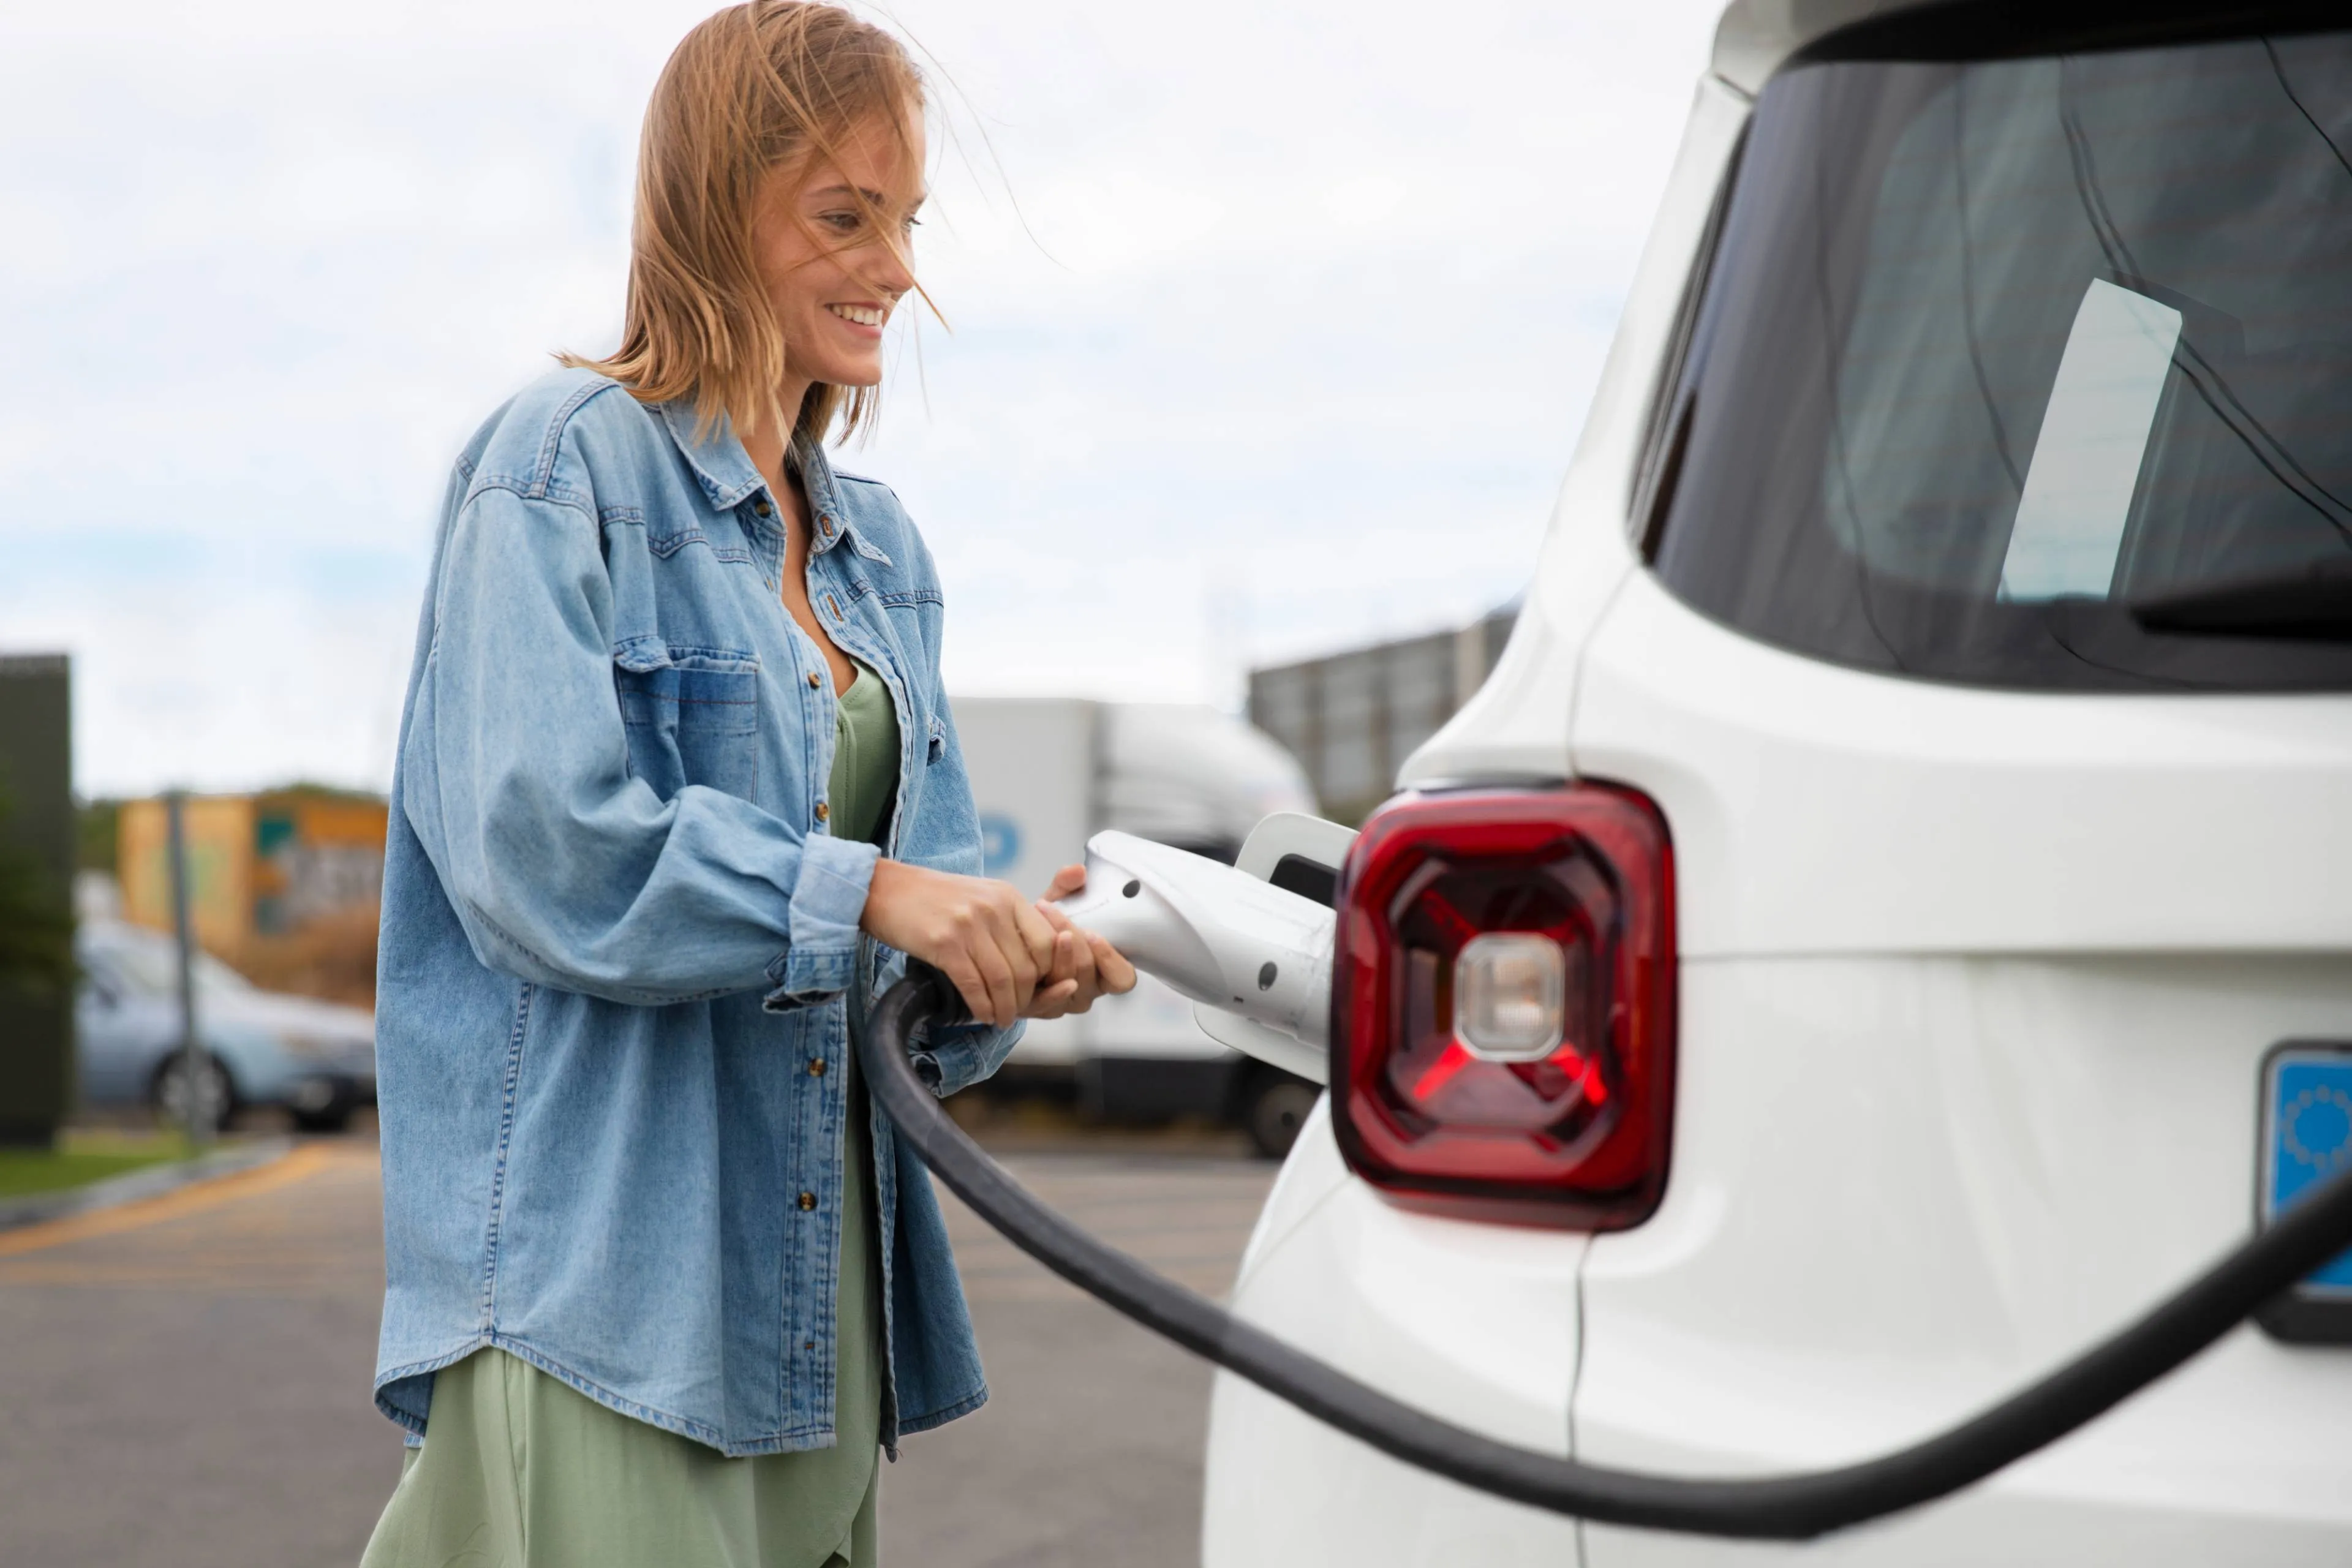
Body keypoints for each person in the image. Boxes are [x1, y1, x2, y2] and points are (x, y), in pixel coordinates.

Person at [359, 6, 1136, 1563]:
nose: (896, 267)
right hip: (613, 1306)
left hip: (814, 1321)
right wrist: (882, 894)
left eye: (906, 220)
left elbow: (895, 945)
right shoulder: (556, 466)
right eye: (843, 216)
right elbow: (546, 851)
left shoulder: (884, 555)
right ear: (718, 216)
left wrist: (996, 962)